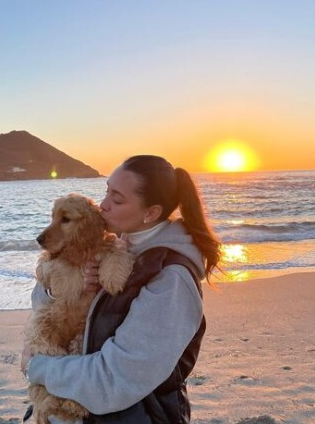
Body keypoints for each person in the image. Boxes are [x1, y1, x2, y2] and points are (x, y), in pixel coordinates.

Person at [21, 155, 221, 424]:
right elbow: (44, 300)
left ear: (150, 213)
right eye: (106, 192)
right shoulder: (109, 244)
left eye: (117, 200)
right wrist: (63, 290)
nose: (103, 206)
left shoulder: (171, 280)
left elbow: (114, 379)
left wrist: (39, 367)